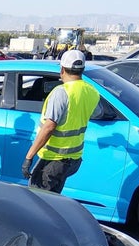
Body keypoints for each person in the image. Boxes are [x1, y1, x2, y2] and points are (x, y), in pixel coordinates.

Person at [22, 49, 100, 193]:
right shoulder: (92, 91)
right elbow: (94, 113)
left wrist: (29, 156)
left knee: (39, 202)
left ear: (62, 69)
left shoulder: (61, 92)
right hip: (73, 159)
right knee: (53, 200)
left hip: (53, 159)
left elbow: (49, 127)